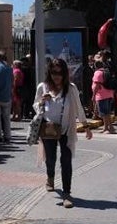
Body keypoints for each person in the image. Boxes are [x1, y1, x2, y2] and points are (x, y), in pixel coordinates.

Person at [34, 57, 93, 208]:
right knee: (51, 158)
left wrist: (86, 126)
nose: (57, 76)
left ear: (65, 74)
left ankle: (67, 193)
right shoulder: (43, 87)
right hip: (49, 128)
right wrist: (41, 101)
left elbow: (79, 108)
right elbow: (35, 105)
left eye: (60, 73)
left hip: (66, 129)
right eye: (54, 72)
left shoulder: (71, 88)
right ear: (49, 73)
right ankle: (50, 177)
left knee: (66, 161)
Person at [91, 54, 117, 134]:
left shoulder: (97, 73)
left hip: (101, 95)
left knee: (104, 113)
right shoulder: (106, 71)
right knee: (107, 112)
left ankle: (110, 128)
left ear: (95, 66)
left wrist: (93, 95)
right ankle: (106, 128)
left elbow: (96, 85)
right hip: (109, 94)